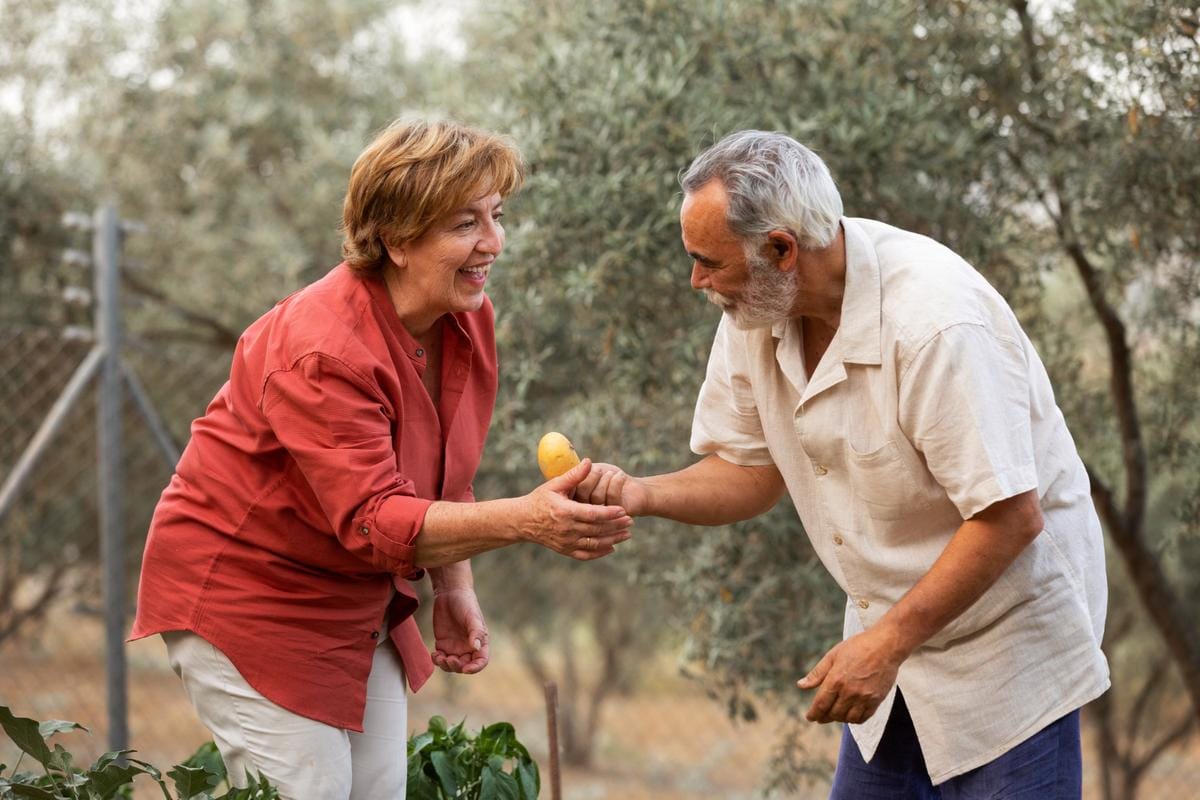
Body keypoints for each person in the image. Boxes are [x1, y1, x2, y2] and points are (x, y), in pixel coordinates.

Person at [575, 130, 1108, 798]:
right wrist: (637, 493)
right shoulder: (756, 308)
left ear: (781, 249)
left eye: (708, 261)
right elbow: (749, 470)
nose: (697, 281)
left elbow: (1008, 518)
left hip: (1005, 662)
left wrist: (884, 645)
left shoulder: (936, 323)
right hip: (887, 658)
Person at [129, 119, 632, 800]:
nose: (494, 242)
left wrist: (455, 589)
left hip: (355, 600)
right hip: (248, 597)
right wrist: (528, 520)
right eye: (465, 223)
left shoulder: (467, 315)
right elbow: (374, 517)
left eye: (497, 215)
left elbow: (443, 474)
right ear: (395, 238)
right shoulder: (324, 349)